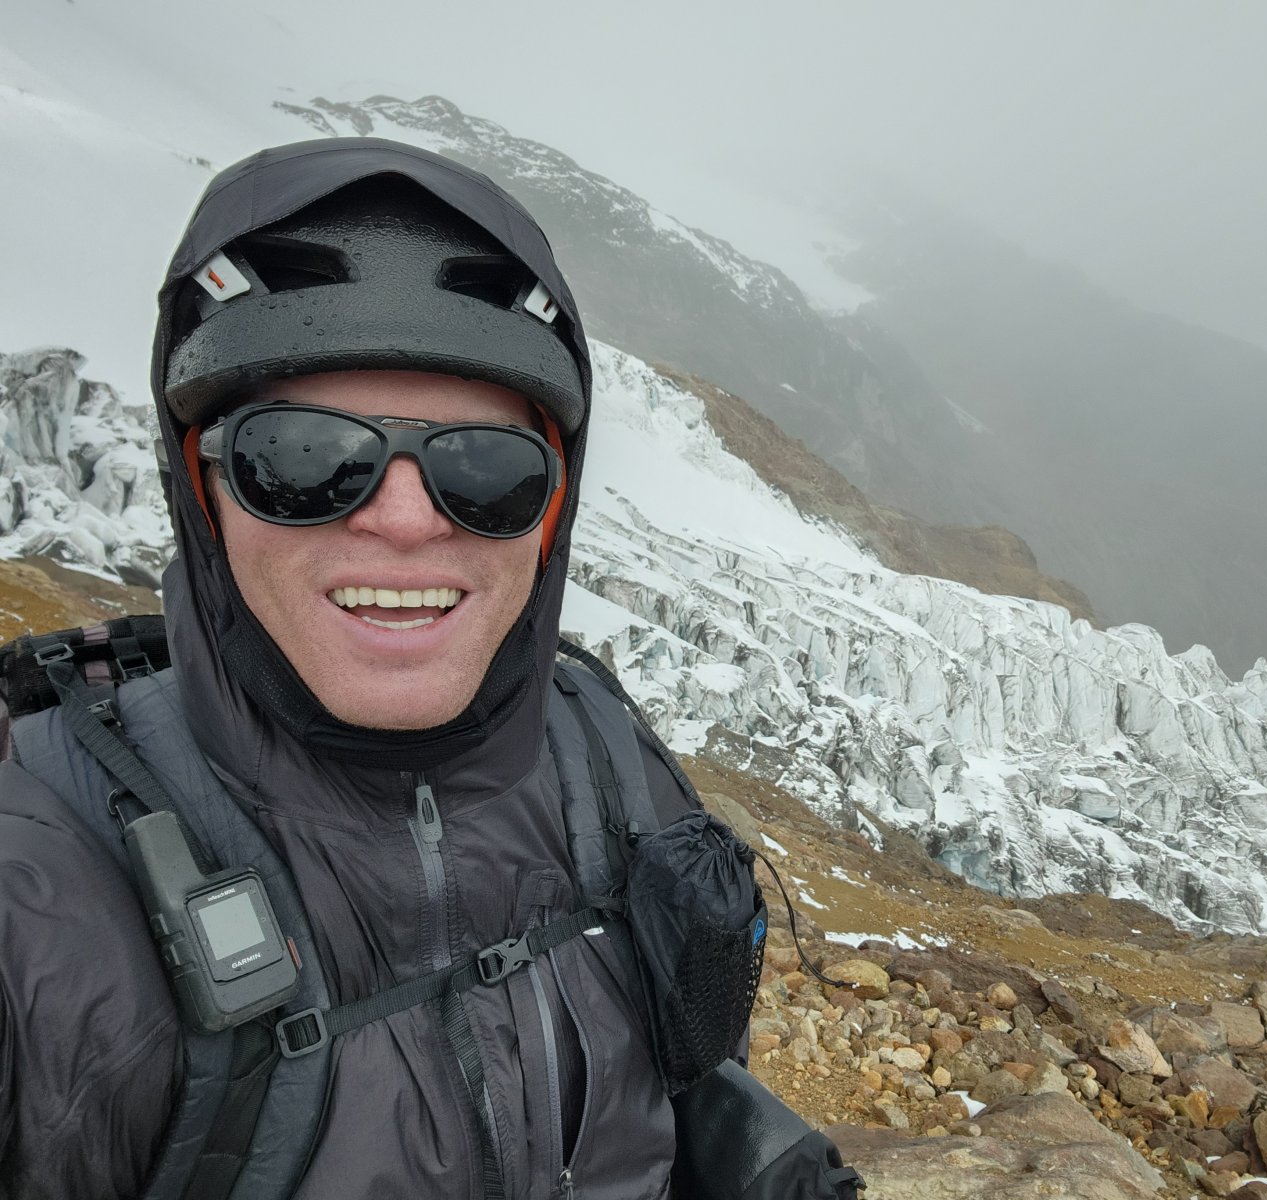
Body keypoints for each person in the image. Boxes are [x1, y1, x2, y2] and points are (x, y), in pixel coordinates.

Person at [0, 139, 853, 1199]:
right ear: (201, 487)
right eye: (303, 459)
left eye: (485, 470)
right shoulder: (40, 873)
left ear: (548, 516)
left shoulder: (610, 759)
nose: (403, 520)